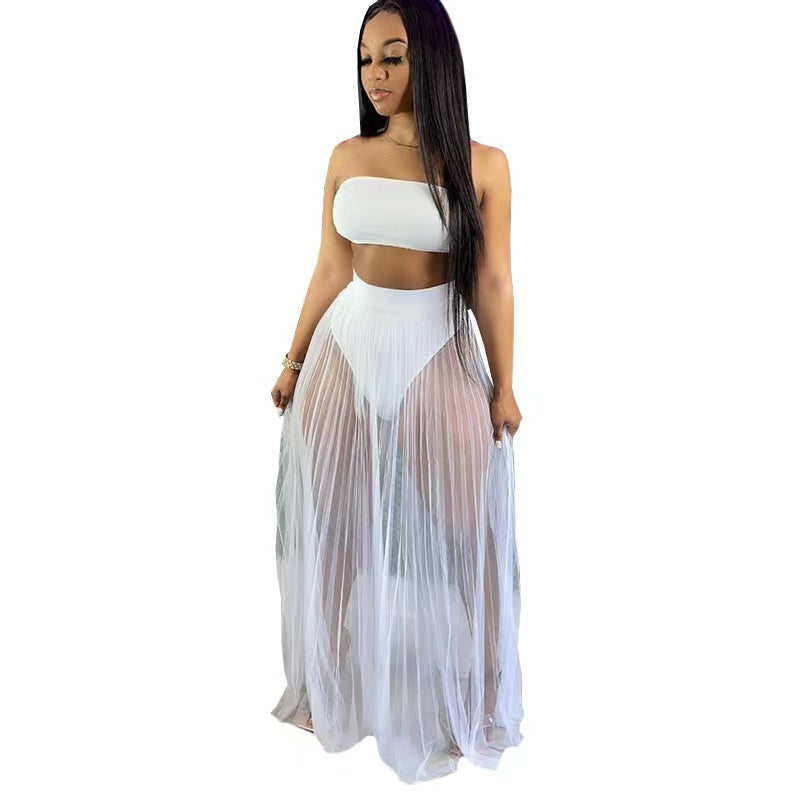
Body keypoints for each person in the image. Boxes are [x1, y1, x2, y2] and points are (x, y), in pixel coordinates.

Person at [269, 0, 524, 783]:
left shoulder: (483, 165)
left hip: (435, 348)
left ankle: (479, 691)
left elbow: (492, 280)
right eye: (364, 59)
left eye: (392, 56)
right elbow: (330, 266)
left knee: (468, 535)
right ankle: (329, 683)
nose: (374, 74)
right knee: (332, 527)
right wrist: (293, 359)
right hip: (347, 347)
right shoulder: (347, 155)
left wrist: (505, 385)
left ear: (431, 60)